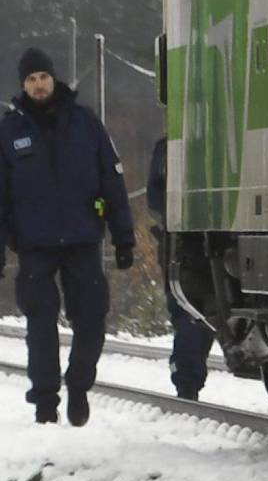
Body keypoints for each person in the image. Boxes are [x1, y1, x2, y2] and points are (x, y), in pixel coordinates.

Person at [0, 46, 135, 426]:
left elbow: (112, 178)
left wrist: (124, 237)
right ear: (23, 85)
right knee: (40, 325)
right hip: (34, 245)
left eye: (42, 77)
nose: (38, 85)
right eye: (30, 79)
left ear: (52, 78)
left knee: (91, 319)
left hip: (82, 240)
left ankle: (78, 386)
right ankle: (45, 402)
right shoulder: (10, 132)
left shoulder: (84, 123)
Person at [146, 138, 213, 400]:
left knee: (189, 313)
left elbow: (154, 198)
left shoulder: (168, 148)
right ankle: (187, 378)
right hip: (203, 242)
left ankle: (187, 380)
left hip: (180, 244)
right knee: (199, 314)